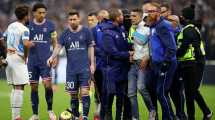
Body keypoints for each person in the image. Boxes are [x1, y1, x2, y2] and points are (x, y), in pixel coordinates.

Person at [47, 10, 95, 120]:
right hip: (71, 70)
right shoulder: (65, 33)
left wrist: (92, 64)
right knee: (73, 95)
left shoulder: (86, 31)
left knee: (84, 92)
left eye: (74, 19)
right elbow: (58, 47)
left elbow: (91, 47)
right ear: (68, 20)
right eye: (70, 20)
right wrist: (52, 57)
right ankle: (76, 116)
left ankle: (85, 116)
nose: (72, 21)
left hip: (84, 69)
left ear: (79, 19)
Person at [177, 5, 213, 120]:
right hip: (196, 62)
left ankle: (200, 114)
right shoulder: (192, 28)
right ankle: (206, 112)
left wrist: (174, 54)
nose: (180, 17)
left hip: (194, 63)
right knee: (191, 91)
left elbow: (183, 48)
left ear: (185, 17)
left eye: (182, 15)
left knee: (190, 91)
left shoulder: (188, 30)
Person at [145, 2, 177, 120]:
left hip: (165, 64)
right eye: (148, 11)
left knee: (161, 92)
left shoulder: (163, 25)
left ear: (158, 12)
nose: (149, 14)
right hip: (156, 64)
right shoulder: (153, 26)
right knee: (157, 91)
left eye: (152, 11)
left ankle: (170, 117)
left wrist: (166, 63)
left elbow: (172, 47)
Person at [101, 8, 133, 120]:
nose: (123, 17)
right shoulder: (107, 33)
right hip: (112, 69)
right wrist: (128, 54)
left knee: (121, 97)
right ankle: (107, 114)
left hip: (123, 69)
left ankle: (118, 117)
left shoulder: (122, 30)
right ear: (117, 17)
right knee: (110, 94)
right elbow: (112, 52)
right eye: (121, 16)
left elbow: (126, 45)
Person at [28, 3, 57, 120]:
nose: (42, 15)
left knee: (47, 85)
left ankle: (50, 110)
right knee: (33, 87)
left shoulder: (50, 25)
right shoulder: (28, 25)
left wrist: (54, 57)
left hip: (46, 62)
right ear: (34, 12)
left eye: (44, 12)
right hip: (32, 61)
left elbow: (55, 42)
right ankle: (35, 114)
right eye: (39, 12)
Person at [4, 4, 33, 120]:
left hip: (9, 57)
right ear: (25, 16)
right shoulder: (24, 29)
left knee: (15, 87)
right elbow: (26, 44)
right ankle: (16, 117)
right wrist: (26, 56)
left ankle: (14, 116)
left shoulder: (11, 25)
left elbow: (3, 38)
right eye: (29, 15)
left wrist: (7, 48)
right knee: (19, 87)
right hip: (18, 59)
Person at [127, 8, 156, 120]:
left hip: (143, 63)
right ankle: (135, 117)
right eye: (131, 16)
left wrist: (147, 57)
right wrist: (131, 53)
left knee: (141, 87)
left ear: (140, 16)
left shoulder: (147, 28)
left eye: (134, 16)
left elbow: (143, 42)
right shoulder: (133, 28)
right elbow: (134, 45)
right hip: (133, 63)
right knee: (130, 93)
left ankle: (152, 110)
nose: (131, 18)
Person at [166, 15, 187, 120]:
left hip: (178, 67)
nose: (168, 22)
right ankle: (175, 115)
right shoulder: (167, 33)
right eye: (167, 20)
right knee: (169, 92)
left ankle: (181, 114)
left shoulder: (181, 33)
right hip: (169, 67)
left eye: (170, 20)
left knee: (177, 92)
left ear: (176, 22)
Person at [91, 9, 109, 120]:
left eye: (106, 17)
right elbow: (92, 48)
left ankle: (107, 112)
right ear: (98, 18)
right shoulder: (94, 30)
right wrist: (105, 51)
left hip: (111, 65)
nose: (104, 19)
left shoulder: (112, 28)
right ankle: (101, 113)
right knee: (100, 91)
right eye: (102, 17)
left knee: (109, 91)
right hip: (98, 66)